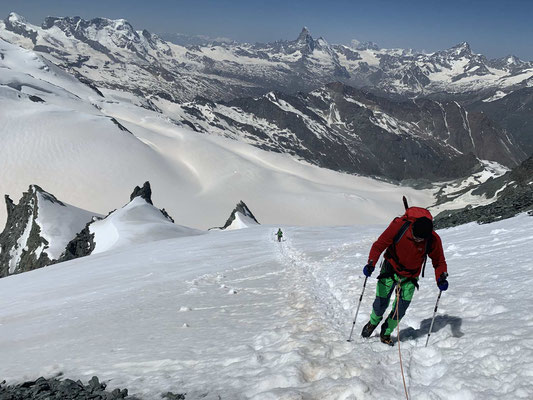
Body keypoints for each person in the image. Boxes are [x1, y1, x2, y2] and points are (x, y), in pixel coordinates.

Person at [360, 207, 448, 346]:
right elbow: (379, 245)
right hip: (390, 268)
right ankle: (373, 322)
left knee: (400, 309)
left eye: (420, 239)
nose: (416, 239)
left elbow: (439, 261)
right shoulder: (399, 226)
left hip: (410, 277)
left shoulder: (433, 239)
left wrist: (441, 277)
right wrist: (371, 263)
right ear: (412, 227)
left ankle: (386, 332)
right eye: (415, 235)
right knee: (380, 303)